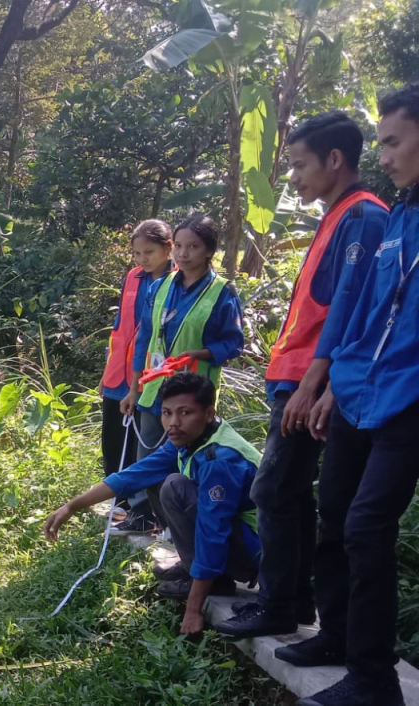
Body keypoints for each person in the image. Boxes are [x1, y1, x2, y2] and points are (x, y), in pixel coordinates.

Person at [217, 112, 389, 639]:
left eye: (298, 165)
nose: (291, 178)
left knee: (276, 489)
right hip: (296, 377)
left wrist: (316, 385)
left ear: (335, 160)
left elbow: (352, 310)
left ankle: (281, 604)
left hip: (310, 382)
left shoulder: (362, 216)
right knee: (289, 492)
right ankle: (293, 602)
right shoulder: (339, 215)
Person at [277, 83, 419, 706]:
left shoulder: (368, 213)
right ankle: (334, 635)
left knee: (366, 527)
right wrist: (333, 383)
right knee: (334, 511)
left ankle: (373, 678)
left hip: (409, 402)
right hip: (361, 392)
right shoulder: (402, 215)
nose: (383, 155)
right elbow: (361, 312)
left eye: (392, 141)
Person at [45, 373, 261, 636]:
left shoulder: (220, 459)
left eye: (185, 413)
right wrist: (72, 506)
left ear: (208, 413)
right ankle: (198, 569)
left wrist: (193, 610)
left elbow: (212, 533)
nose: (174, 423)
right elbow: (132, 475)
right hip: (237, 539)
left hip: (257, 554)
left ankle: (208, 579)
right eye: (167, 413)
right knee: (156, 480)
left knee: (174, 486)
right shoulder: (193, 437)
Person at [118, 214, 245, 533]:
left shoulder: (221, 292)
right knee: (146, 456)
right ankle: (145, 516)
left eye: (194, 246)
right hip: (154, 387)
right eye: (180, 246)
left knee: (186, 460)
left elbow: (233, 343)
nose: (184, 253)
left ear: (208, 251)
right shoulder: (159, 287)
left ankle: (183, 530)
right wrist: (133, 388)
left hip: (193, 392)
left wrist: (199, 354)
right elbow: (145, 339)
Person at [100, 220, 174, 517]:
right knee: (113, 437)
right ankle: (118, 501)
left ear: (168, 249)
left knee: (142, 443)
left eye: (150, 252)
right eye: (137, 253)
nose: (143, 259)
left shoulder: (177, 281)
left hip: (150, 376)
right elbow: (120, 326)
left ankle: (143, 509)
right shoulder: (133, 277)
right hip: (118, 372)